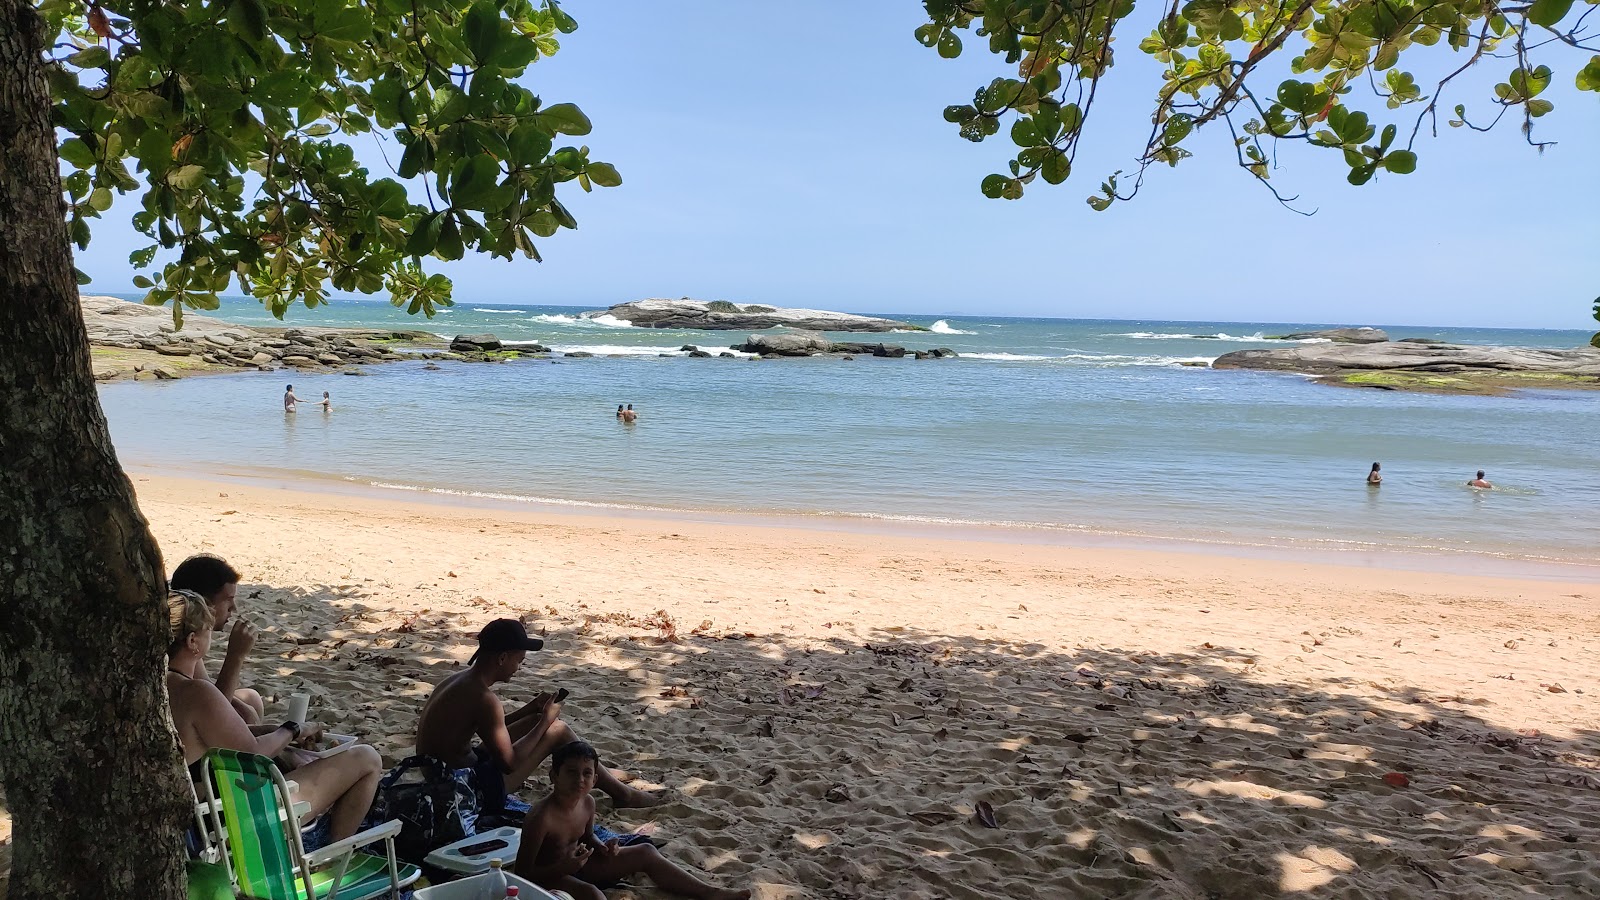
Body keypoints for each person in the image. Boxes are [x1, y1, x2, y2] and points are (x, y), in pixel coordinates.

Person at [166, 590, 383, 843]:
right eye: (208, 630)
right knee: (367, 758)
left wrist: (278, 732)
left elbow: (223, 733)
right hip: (228, 825)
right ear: (193, 641)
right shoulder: (195, 692)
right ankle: (331, 857)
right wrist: (291, 729)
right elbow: (253, 754)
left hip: (195, 816)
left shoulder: (154, 688)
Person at [412, 619, 658, 816]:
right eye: (519, 660)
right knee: (557, 731)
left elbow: (485, 727)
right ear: (502, 658)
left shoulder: (459, 681)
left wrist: (530, 711)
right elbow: (509, 763)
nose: (519, 668)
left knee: (538, 723)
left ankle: (606, 780)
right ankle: (622, 794)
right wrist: (544, 723)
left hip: (442, 773)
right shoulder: (484, 698)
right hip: (462, 789)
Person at [515, 742, 749, 900]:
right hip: (551, 875)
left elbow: (587, 836)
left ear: (596, 779)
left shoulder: (587, 803)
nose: (580, 779)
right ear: (554, 775)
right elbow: (522, 874)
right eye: (571, 772)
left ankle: (710, 892)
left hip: (580, 864)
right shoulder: (541, 817)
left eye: (586, 773)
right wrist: (563, 868)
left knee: (646, 851)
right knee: (594, 895)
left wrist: (602, 847)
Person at [170, 554, 264, 724]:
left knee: (251, 699)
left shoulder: (187, 637)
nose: (233, 608)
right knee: (247, 710)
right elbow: (215, 710)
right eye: (228, 600)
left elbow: (212, 693)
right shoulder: (183, 645)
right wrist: (235, 656)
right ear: (204, 603)